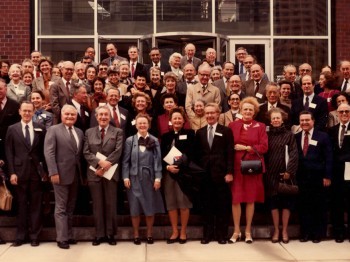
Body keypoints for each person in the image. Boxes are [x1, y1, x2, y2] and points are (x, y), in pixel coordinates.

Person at [5, 101, 46, 247]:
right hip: (19, 172)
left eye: (30, 111)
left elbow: (43, 152)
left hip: (36, 173)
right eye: (25, 111)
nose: (27, 113)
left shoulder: (40, 128)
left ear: (34, 112)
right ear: (19, 112)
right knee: (21, 205)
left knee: (36, 205)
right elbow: (9, 152)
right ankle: (20, 236)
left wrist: (44, 171)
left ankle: (35, 236)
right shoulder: (12, 129)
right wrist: (12, 173)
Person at [228, 97, 268, 244]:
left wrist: (246, 148)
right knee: (236, 199)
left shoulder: (261, 126)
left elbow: (264, 147)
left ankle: (248, 231)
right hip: (237, 166)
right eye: (245, 109)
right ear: (240, 110)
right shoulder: (232, 125)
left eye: (250, 109)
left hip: (252, 166)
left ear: (255, 112)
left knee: (251, 199)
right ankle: (236, 230)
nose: (247, 112)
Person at [44, 104, 84, 249]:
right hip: (59, 175)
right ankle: (61, 238)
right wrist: (53, 172)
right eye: (67, 114)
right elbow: (49, 153)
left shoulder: (79, 132)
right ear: (61, 115)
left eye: (72, 115)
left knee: (70, 207)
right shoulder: (53, 130)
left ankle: (69, 235)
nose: (70, 117)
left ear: (76, 116)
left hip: (75, 175)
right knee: (61, 207)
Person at [83, 106, 124, 246]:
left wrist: (106, 165)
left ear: (110, 116)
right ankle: (99, 234)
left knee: (110, 204)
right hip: (94, 173)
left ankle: (110, 234)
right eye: (100, 115)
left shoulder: (118, 132)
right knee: (97, 205)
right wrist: (99, 163)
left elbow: (118, 151)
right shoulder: (89, 132)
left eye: (106, 115)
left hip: (111, 173)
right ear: (96, 116)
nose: (103, 117)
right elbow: (86, 152)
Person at [122, 113, 165, 245]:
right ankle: (136, 234)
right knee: (135, 207)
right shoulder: (130, 140)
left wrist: (158, 178)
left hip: (149, 178)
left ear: (148, 125)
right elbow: (125, 161)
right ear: (136, 124)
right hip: (134, 178)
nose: (142, 125)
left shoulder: (154, 140)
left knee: (149, 206)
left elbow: (158, 160)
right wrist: (125, 177)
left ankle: (149, 234)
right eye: (140, 123)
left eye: (144, 123)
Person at [194, 103, 234, 244]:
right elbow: (197, 155)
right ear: (204, 115)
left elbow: (230, 153)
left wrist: (229, 172)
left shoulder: (226, 131)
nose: (210, 115)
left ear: (218, 114)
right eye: (207, 113)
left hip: (221, 175)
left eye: (212, 113)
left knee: (222, 206)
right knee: (207, 206)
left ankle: (221, 235)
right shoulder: (200, 132)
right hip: (205, 176)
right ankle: (207, 235)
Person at [296, 111, 332, 243]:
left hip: (318, 177)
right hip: (302, 178)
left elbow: (329, 157)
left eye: (307, 120)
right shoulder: (296, 136)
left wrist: (327, 176)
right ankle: (305, 233)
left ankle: (317, 234)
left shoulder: (323, 136)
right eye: (302, 120)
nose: (304, 122)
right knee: (304, 206)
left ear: (313, 121)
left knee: (318, 206)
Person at [161, 107, 195, 244]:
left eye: (179, 118)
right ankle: (174, 231)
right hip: (169, 173)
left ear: (183, 120)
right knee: (171, 203)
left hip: (184, 174)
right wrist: (167, 166)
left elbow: (193, 153)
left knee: (184, 203)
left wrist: (181, 166)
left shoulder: (190, 134)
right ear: (170, 121)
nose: (177, 120)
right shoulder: (165, 137)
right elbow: (161, 155)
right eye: (174, 118)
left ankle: (183, 231)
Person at [266, 108, 298, 244]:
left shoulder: (289, 135)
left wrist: (289, 172)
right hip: (270, 175)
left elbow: (294, 154)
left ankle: (284, 230)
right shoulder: (266, 135)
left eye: (278, 118)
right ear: (270, 120)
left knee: (286, 204)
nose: (276, 120)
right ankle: (276, 230)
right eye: (273, 118)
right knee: (273, 203)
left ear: (282, 119)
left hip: (285, 175)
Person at [328, 103, 350, 243]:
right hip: (336, 171)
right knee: (337, 203)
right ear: (337, 113)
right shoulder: (332, 130)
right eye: (341, 111)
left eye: (346, 111)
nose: (344, 114)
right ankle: (339, 232)